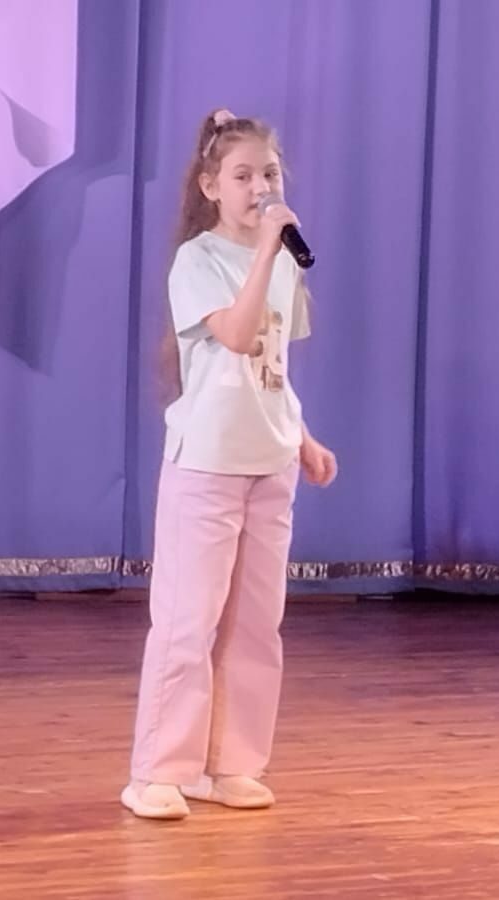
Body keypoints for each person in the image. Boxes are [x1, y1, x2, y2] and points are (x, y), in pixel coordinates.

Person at [123, 108, 338, 820]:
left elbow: (272, 367)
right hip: (208, 464)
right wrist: (266, 254)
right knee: (188, 621)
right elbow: (239, 336)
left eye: (269, 174)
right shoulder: (199, 261)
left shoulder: (281, 266)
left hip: (269, 463)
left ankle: (232, 763)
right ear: (211, 185)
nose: (259, 188)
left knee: (255, 624)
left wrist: (302, 436)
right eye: (242, 176)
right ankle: (160, 771)